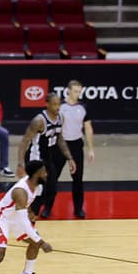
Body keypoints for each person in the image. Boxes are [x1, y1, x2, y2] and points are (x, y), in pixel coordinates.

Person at [16, 92, 76, 219]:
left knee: (51, 190)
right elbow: (24, 142)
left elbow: (60, 139)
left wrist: (70, 158)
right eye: (54, 104)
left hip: (47, 158)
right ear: (47, 105)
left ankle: (29, 212)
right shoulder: (39, 121)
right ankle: (29, 217)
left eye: (59, 104)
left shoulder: (61, 117)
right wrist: (20, 164)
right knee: (37, 191)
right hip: (35, 159)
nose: (57, 107)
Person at [59, 80, 95, 219]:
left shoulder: (83, 107)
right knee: (52, 177)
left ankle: (78, 209)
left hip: (76, 144)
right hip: (61, 145)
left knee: (78, 179)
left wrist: (91, 149)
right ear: (68, 90)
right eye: (75, 91)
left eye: (80, 92)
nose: (77, 94)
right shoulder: (60, 106)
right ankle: (47, 207)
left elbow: (88, 128)